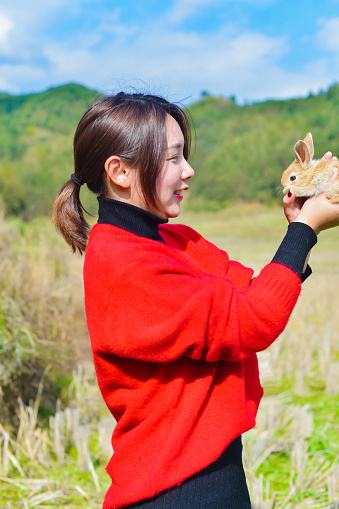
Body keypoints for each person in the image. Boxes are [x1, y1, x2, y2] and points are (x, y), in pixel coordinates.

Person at [53, 92, 339, 509]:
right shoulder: (126, 264)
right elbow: (254, 319)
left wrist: (300, 226)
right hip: (176, 489)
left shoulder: (174, 240)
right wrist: (306, 230)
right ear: (119, 171)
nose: (188, 170)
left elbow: (256, 294)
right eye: (172, 159)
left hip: (212, 470)